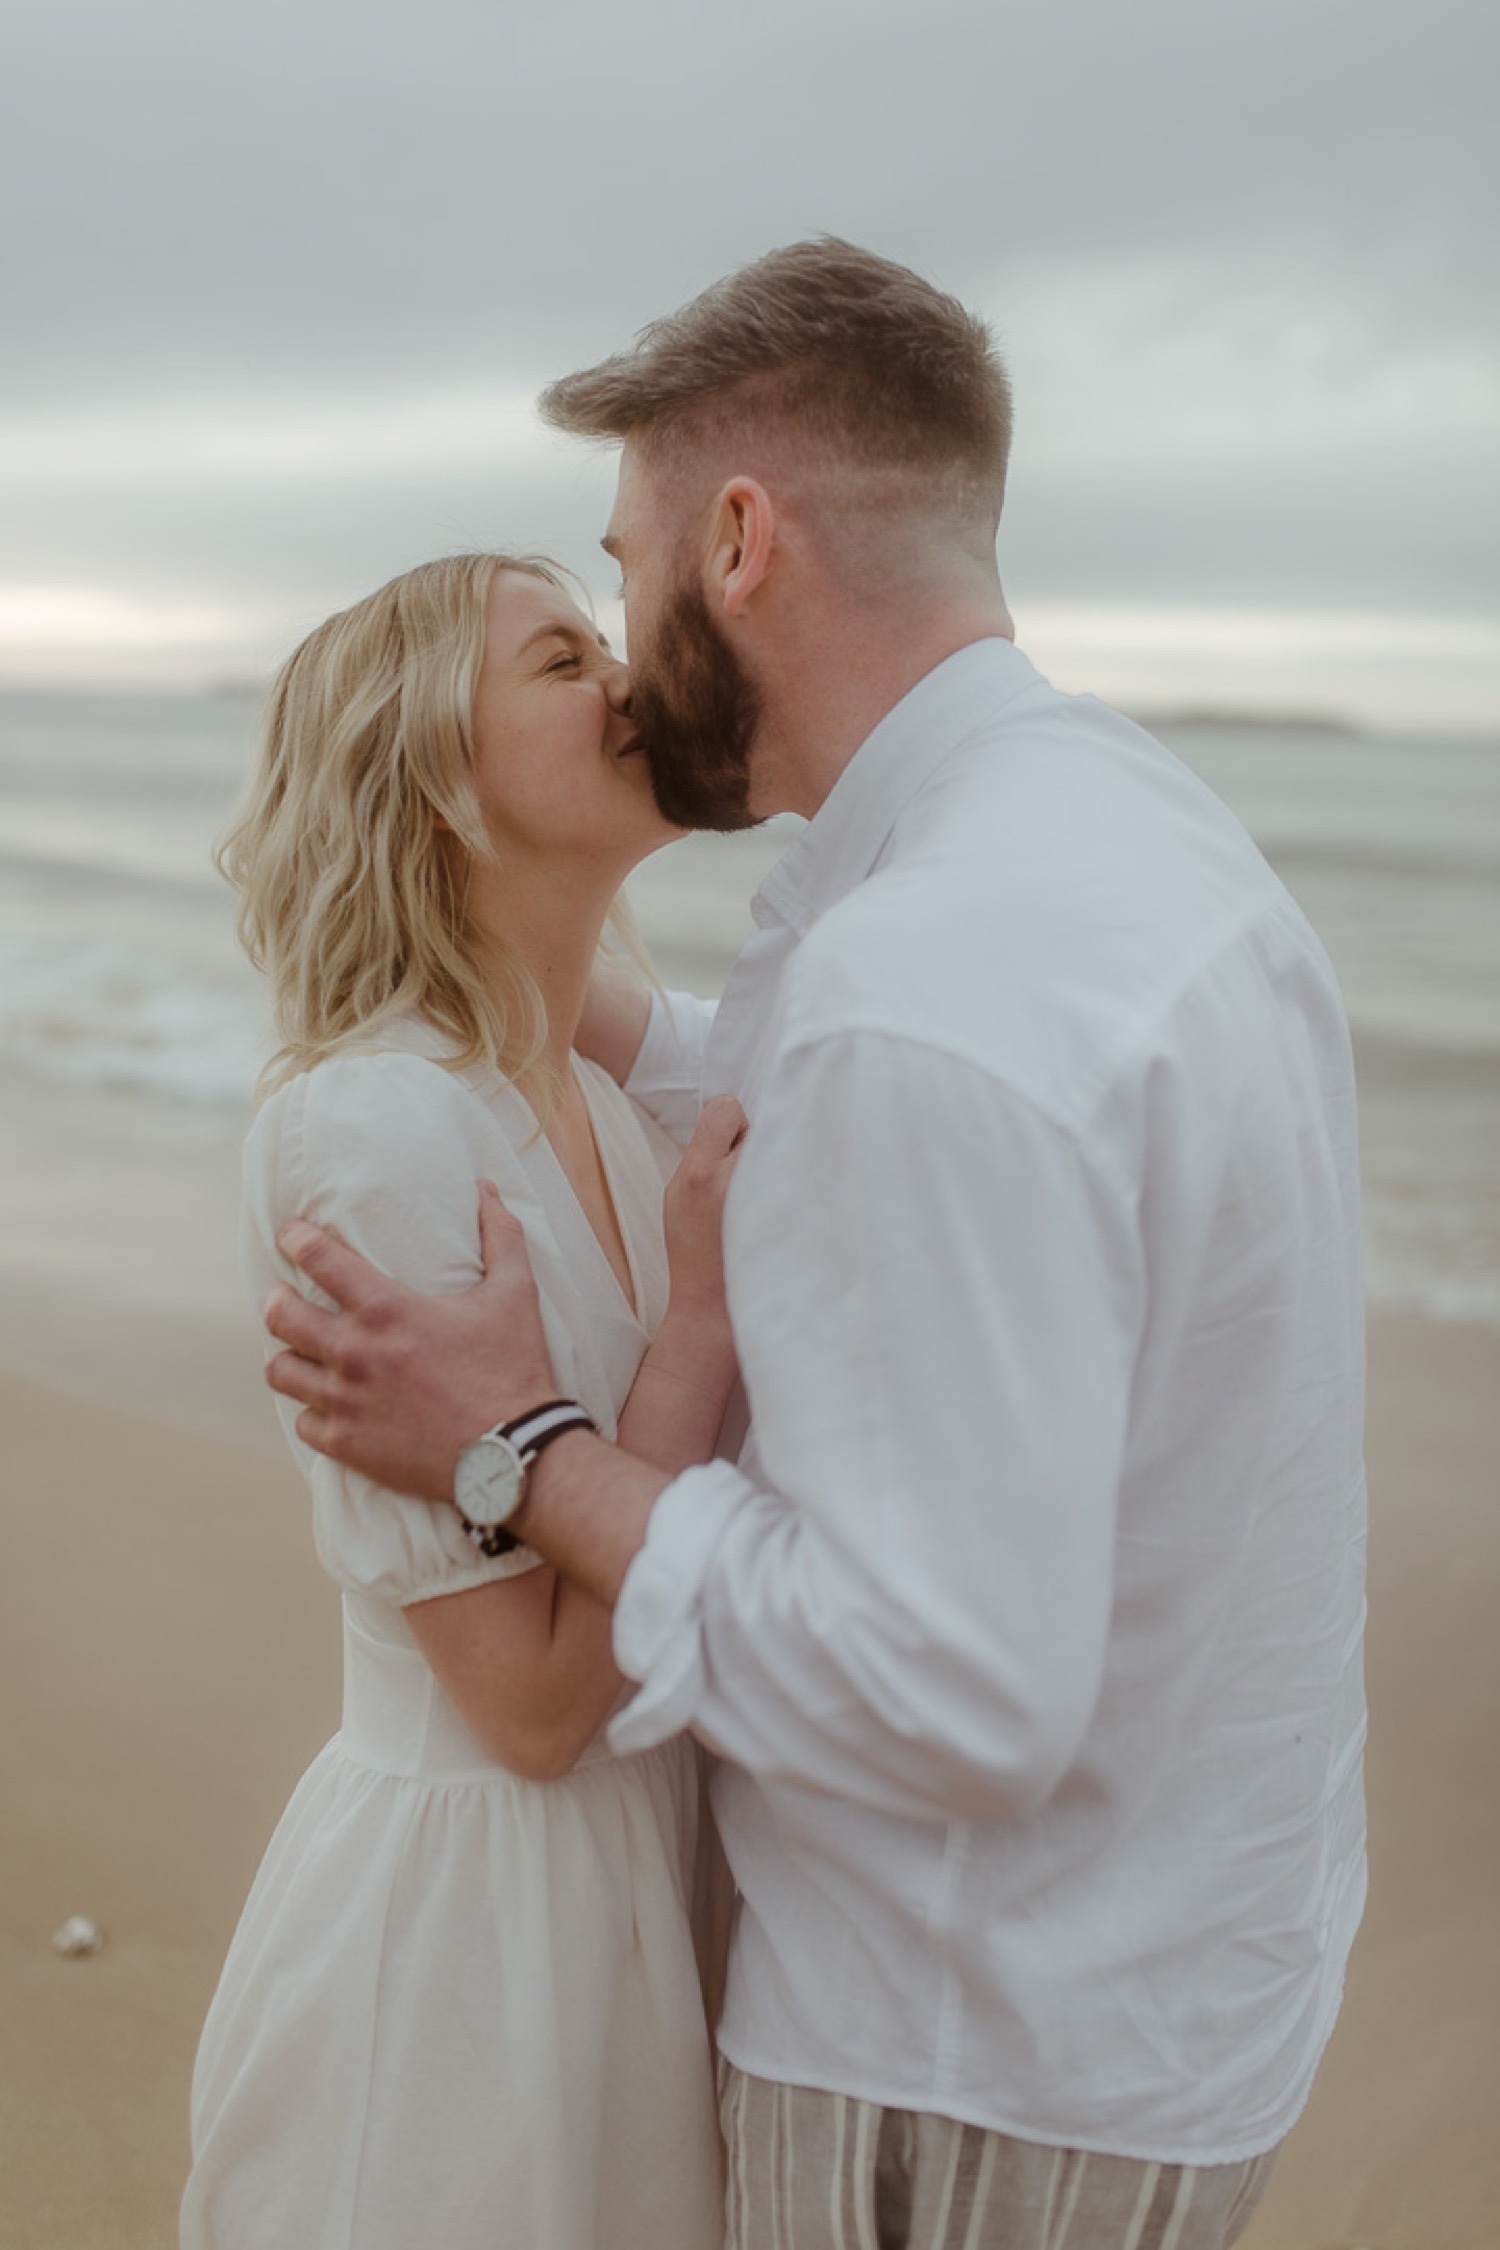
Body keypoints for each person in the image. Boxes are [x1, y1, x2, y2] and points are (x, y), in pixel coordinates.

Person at [265, 240, 1368, 2249]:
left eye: (626, 571)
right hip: (1152, 1983)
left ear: (739, 541)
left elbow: (947, 1684)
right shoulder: (1102, 833)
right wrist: (508, 956)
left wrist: (527, 1454)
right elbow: (806, 1104)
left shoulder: (924, 982)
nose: (628, 651)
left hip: (964, 2048)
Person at [181, 552, 743, 2250]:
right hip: (468, 1950)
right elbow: (531, 1702)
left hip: (633, 1897)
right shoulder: (376, 1133)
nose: (631, 681)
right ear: (435, 776)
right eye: (564, 660)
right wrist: (699, 1327)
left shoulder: (603, 1106)